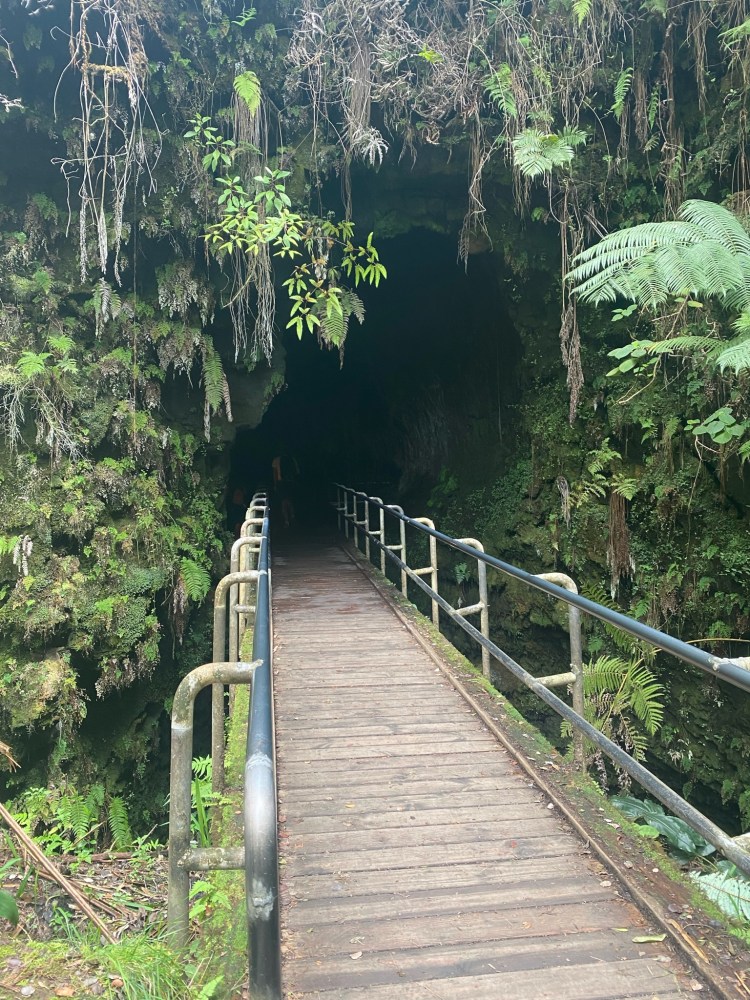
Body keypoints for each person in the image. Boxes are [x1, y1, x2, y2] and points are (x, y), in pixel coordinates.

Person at [271, 453, 298, 528]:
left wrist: (275, 484)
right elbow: (296, 472)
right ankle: (292, 516)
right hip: (290, 482)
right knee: (290, 500)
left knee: (283, 502)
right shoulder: (292, 459)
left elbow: (275, 474)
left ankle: (286, 520)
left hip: (281, 483)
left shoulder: (276, 460)